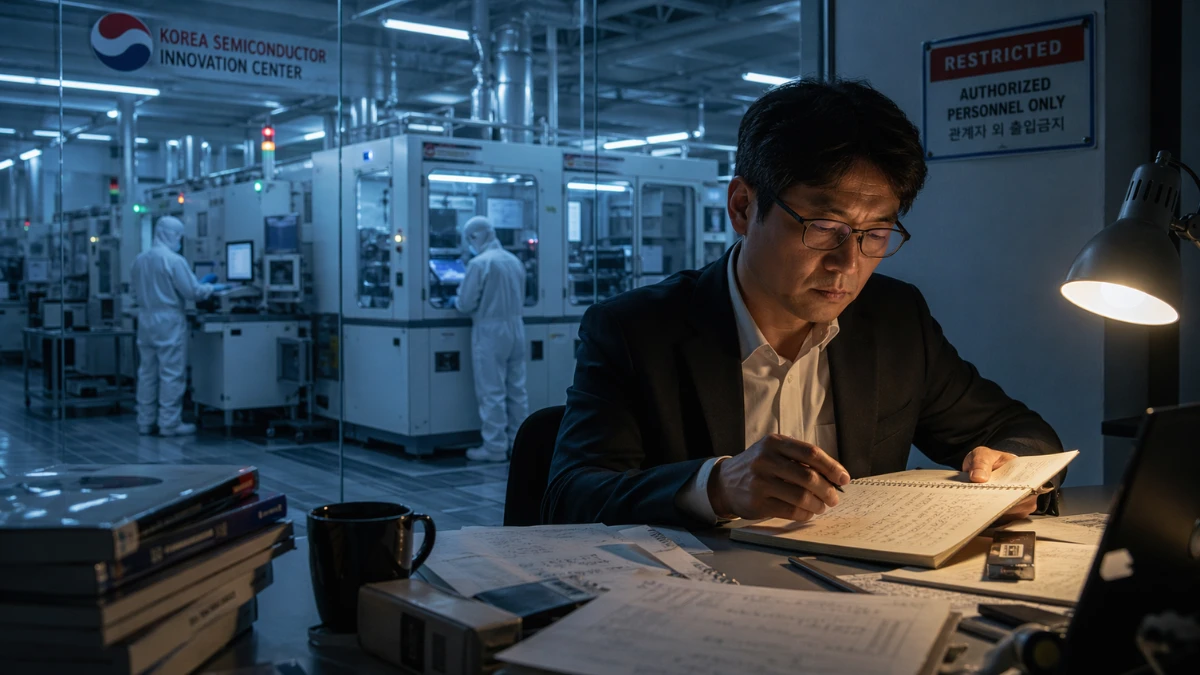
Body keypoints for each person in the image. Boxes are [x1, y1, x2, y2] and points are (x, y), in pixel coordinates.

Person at [544, 78, 1066, 527]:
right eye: (823, 227)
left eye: (875, 233)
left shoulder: (894, 319)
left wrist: (1015, 472)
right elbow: (570, 496)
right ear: (743, 208)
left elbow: (1023, 432)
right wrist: (716, 486)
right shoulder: (636, 330)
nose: (847, 263)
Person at [131, 216, 225, 436]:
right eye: (179, 237)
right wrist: (212, 287)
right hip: (168, 321)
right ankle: (169, 423)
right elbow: (193, 292)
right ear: (172, 235)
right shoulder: (174, 260)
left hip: (145, 320)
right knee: (171, 372)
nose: (180, 241)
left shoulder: (140, 259)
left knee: (147, 373)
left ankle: (145, 421)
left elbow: (134, 293)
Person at [455, 216, 529, 462]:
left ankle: (495, 447)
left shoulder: (480, 263)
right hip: (517, 328)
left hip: (490, 331)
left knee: (492, 390)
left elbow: (465, 304)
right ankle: (519, 445)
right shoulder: (514, 261)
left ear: (475, 237)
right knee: (517, 390)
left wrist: (455, 298)